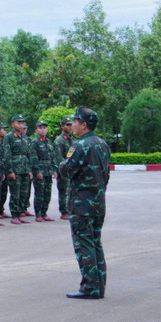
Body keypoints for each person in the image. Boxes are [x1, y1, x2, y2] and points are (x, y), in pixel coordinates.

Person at [58, 106, 110, 300]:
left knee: (84, 245)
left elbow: (66, 171)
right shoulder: (103, 144)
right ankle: (99, 286)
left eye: (76, 122)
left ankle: (90, 287)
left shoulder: (79, 146)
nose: (73, 126)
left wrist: (62, 164)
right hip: (98, 202)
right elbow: (106, 175)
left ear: (84, 125)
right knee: (95, 243)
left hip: (81, 204)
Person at [4, 114, 34, 224]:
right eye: (18, 123)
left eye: (22, 123)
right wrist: (10, 171)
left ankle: (21, 212)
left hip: (25, 168)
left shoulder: (25, 138)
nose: (21, 125)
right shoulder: (9, 137)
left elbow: (29, 154)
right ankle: (14, 215)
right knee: (15, 193)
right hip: (16, 169)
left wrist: (30, 170)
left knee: (24, 193)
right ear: (13, 124)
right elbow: (7, 155)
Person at [30, 120, 57, 222]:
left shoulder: (49, 142)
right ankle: (38, 214)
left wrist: (54, 169)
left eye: (45, 128)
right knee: (39, 193)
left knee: (47, 193)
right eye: (40, 128)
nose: (43, 130)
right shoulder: (35, 142)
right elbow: (33, 157)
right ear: (37, 130)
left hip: (48, 170)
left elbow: (52, 156)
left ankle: (44, 212)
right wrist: (37, 171)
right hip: (40, 170)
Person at [54, 117, 75, 219]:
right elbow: (59, 157)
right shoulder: (59, 140)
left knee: (71, 191)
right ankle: (64, 211)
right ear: (62, 127)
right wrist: (65, 168)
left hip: (72, 170)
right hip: (64, 171)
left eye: (71, 125)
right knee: (63, 192)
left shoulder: (72, 140)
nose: (70, 127)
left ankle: (70, 209)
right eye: (68, 125)